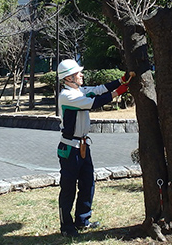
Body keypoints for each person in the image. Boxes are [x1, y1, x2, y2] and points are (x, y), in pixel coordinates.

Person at [57, 59, 132, 238]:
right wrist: (118, 92)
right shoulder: (67, 96)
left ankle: (82, 220)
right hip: (70, 149)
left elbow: (98, 90)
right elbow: (93, 102)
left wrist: (121, 81)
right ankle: (66, 226)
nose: (81, 75)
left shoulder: (78, 90)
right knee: (68, 188)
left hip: (82, 146)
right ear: (69, 78)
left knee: (88, 184)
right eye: (78, 73)